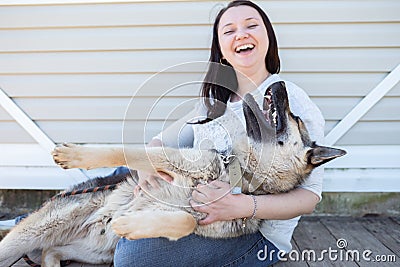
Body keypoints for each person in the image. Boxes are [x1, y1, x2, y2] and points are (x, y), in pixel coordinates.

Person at [114, 1, 325, 266]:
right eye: (229, 30)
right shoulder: (213, 102)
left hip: (252, 234)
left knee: (132, 257)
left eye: (251, 25)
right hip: (189, 205)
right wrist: (148, 168)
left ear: (268, 38)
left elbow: (309, 198)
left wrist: (242, 206)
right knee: (117, 176)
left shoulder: (290, 101)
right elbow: (160, 141)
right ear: (222, 51)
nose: (241, 34)